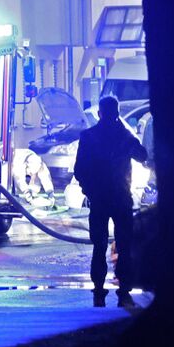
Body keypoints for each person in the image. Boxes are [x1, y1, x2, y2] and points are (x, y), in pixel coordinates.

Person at [73, 94, 148, 307]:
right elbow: (142, 155)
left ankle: (99, 287)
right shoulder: (124, 136)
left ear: (99, 113)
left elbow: (79, 170)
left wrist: (89, 190)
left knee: (99, 245)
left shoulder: (88, 136)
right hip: (121, 197)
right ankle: (124, 288)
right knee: (124, 244)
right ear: (117, 113)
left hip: (99, 198)